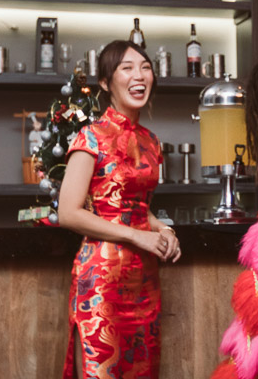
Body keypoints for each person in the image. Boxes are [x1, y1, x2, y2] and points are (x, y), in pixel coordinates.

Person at [58, 40, 179, 379]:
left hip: (144, 282)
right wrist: (136, 237)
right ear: (105, 82)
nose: (139, 75)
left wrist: (163, 230)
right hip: (102, 281)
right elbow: (68, 212)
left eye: (145, 67)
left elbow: (139, 206)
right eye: (127, 68)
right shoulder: (90, 137)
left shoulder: (152, 142)